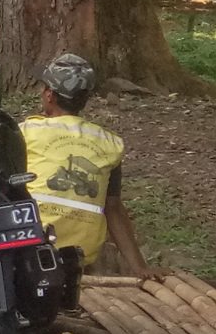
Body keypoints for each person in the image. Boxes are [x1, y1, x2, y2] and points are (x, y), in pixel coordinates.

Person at [22, 54, 146, 276]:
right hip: (82, 255)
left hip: (32, 244)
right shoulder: (109, 143)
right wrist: (139, 267)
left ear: (49, 95)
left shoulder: (27, 132)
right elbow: (113, 207)